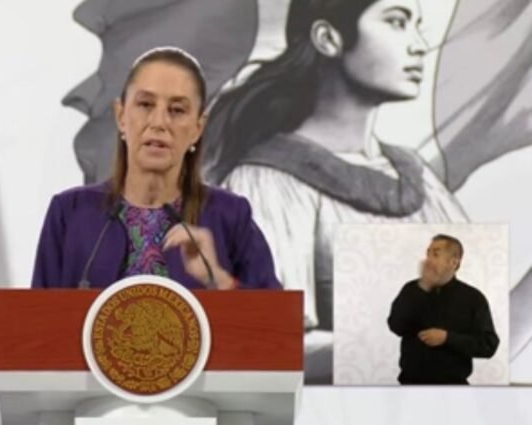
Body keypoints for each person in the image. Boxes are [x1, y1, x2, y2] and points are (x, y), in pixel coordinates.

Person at [201, 0, 468, 383]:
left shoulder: (419, 178)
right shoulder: (266, 183)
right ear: (328, 38)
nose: (419, 44)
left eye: (418, 25)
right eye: (396, 22)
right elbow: (261, 343)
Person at [32, 47, 281, 291]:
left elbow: (276, 326)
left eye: (177, 110)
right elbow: (37, 324)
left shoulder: (230, 217)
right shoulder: (69, 213)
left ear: (197, 128)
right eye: (145, 105)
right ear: (121, 116)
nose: (159, 122)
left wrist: (219, 279)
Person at [387, 234, 500, 385]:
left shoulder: (473, 298)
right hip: (410, 386)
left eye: (435, 254)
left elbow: (488, 345)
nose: (428, 260)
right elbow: (395, 326)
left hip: (453, 389)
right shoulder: (411, 289)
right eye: (428, 253)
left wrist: (448, 338)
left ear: (453, 262)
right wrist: (423, 287)